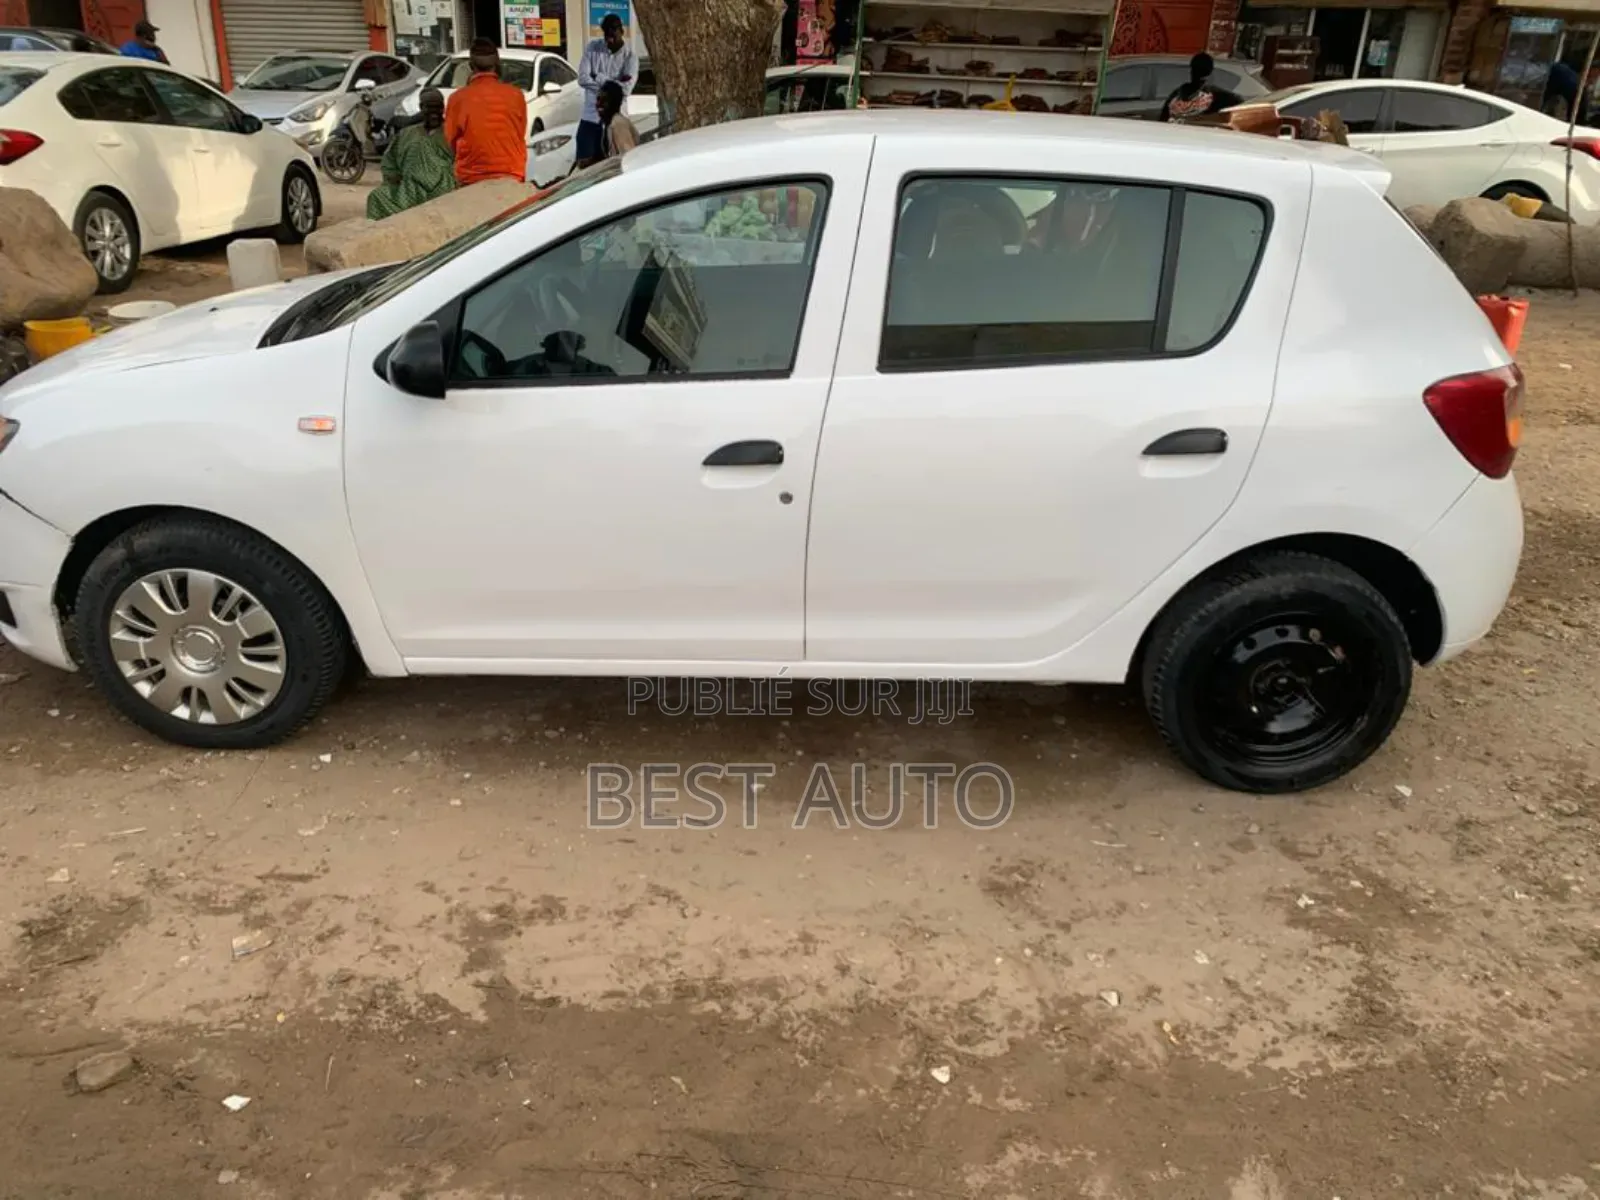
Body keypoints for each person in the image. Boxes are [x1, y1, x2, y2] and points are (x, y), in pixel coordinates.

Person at [444, 39, 528, 186]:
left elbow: (450, 140)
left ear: (471, 66)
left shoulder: (457, 98)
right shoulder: (516, 95)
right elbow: (519, 133)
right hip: (511, 173)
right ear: (497, 64)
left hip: (471, 177)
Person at [366, 88, 456, 220]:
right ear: (421, 108)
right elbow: (389, 160)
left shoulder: (452, 131)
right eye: (429, 108)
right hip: (409, 190)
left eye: (437, 107)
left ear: (443, 108)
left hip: (442, 188)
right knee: (377, 196)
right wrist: (392, 179)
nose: (434, 113)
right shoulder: (407, 133)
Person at [576, 14, 637, 168]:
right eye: (606, 36)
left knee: (616, 165)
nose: (609, 41)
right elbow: (583, 78)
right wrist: (612, 86)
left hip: (615, 119)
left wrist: (599, 77)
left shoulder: (629, 57)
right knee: (584, 166)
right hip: (591, 118)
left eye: (613, 36)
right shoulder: (593, 48)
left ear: (621, 32)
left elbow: (626, 89)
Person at [1159, 52, 1240, 123]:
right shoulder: (1221, 96)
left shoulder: (1176, 96)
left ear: (1191, 70)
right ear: (1211, 71)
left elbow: (1163, 120)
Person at [577, 80, 638, 169]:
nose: (599, 104)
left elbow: (629, 158)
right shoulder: (606, 124)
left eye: (604, 100)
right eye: (598, 99)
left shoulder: (618, 124)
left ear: (614, 102)